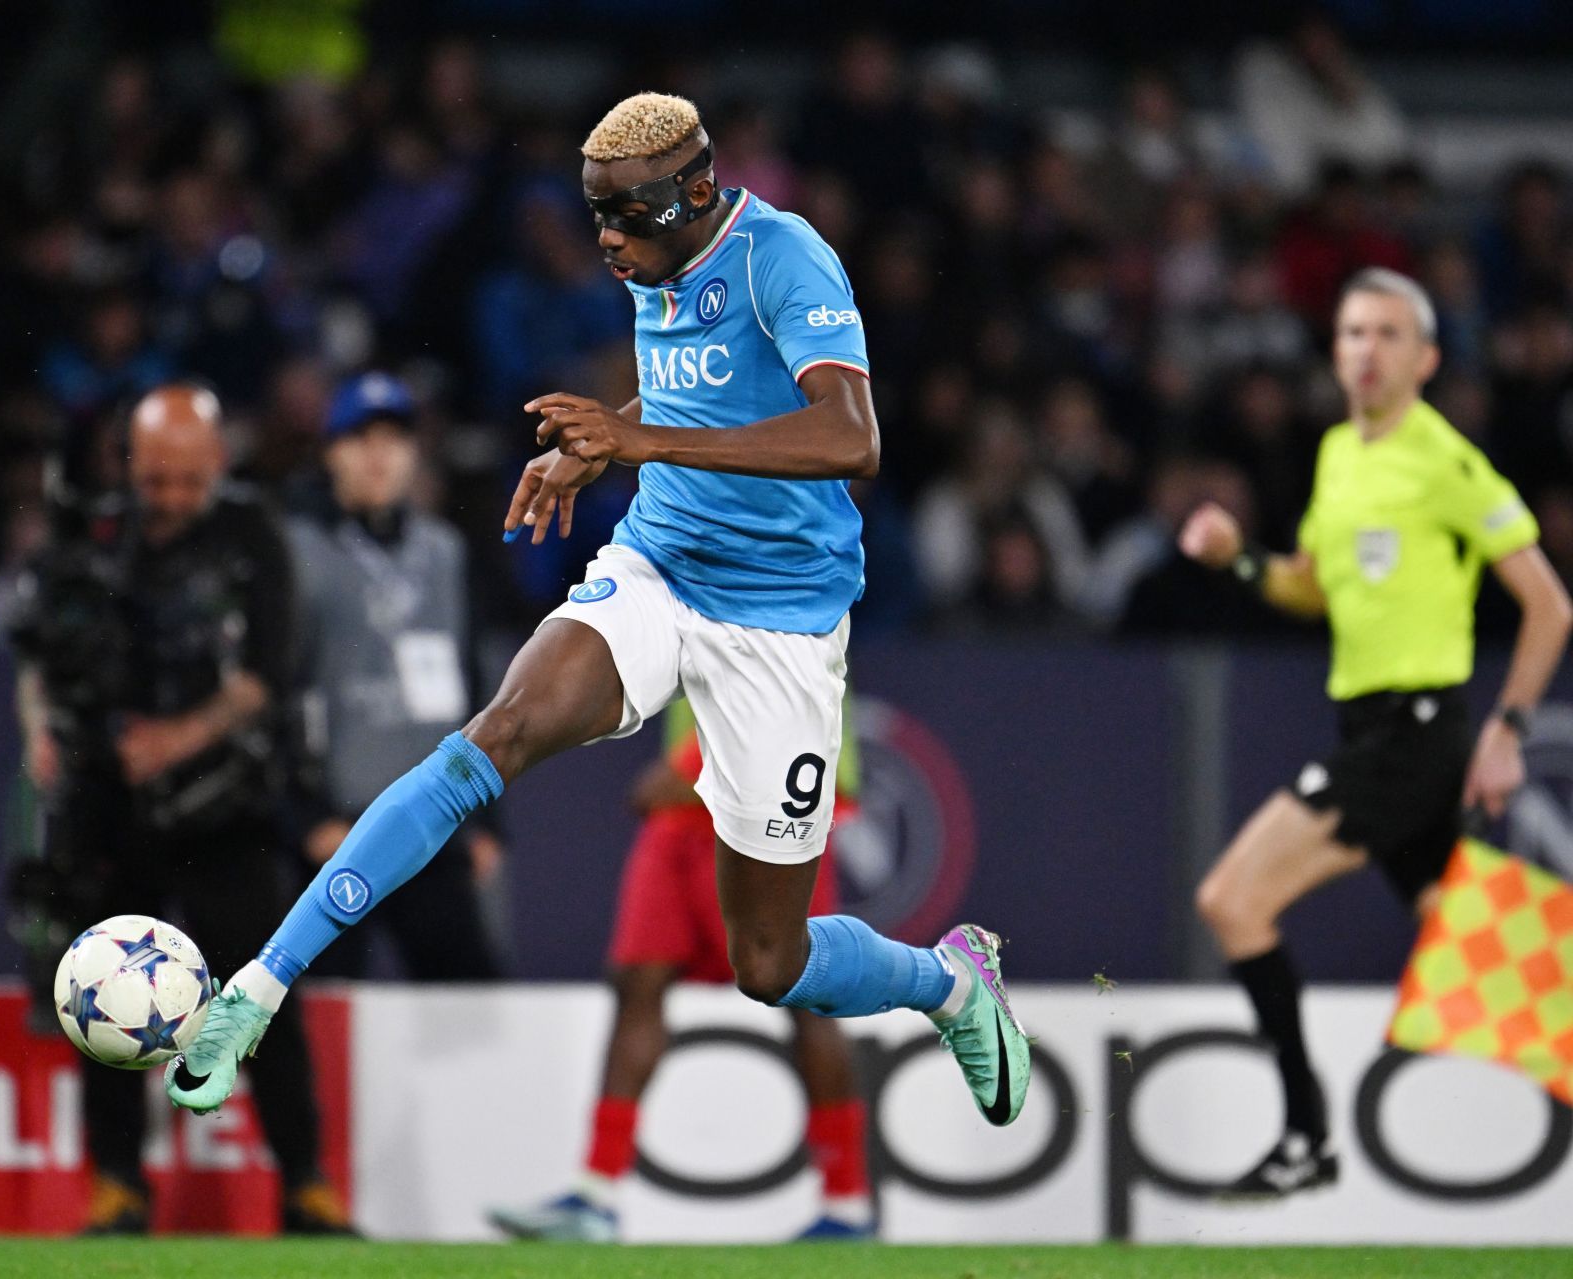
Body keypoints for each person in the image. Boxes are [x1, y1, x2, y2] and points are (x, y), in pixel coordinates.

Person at [165, 93, 1030, 1140]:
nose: (610, 243)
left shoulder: (783, 258)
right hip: (660, 565)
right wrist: (607, 437)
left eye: (630, 218)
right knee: (495, 736)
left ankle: (948, 983)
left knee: (772, 962)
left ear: (699, 192)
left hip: (782, 621)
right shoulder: (651, 260)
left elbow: (852, 439)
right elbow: (697, 406)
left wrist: (640, 443)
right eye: (597, 217)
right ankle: (260, 985)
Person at [1179, 268, 1573, 1197]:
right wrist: (1241, 561)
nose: (1366, 349)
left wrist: (1508, 729)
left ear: (1428, 358)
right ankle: (1307, 1141)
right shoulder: (1336, 455)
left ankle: (1305, 1138)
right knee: (1487, 955)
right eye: (1353, 332)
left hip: (1415, 730)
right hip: (1369, 720)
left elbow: (1550, 606)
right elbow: (1310, 588)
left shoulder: (1444, 460)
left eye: (1389, 334)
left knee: (1232, 899)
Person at [9, 385, 350, 1235]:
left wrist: (178, 736)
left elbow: (267, 677)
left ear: (218, 465)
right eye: (156, 478)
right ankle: (117, 1185)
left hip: (223, 807)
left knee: (259, 998)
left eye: (188, 480)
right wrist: (37, 730)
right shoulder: (87, 532)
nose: (170, 497)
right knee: (103, 1003)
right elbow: (38, 654)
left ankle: (305, 1183)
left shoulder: (251, 536)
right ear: (129, 464)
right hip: (107, 811)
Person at [489, 698, 872, 1242]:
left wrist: (692, 767)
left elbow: (784, 679)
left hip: (767, 810)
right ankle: (595, 1198)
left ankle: (847, 1205)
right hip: (682, 819)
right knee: (636, 986)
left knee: (805, 993)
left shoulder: (792, 613)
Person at [285, 372, 502, 980]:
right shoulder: (299, 552)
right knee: (318, 1004)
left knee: (472, 1003)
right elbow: (279, 692)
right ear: (332, 452)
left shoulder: (446, 551)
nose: (379, 455)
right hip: (340, 827)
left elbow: (476, 684)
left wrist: (486, 819)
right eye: (360, 438)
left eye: (395, 438)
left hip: (434, 821)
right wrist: (305, 817)